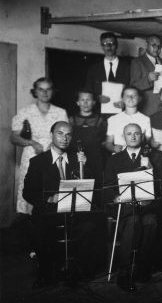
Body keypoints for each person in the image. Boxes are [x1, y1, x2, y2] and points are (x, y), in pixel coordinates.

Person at [23, 121, 99, 287]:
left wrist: (84, 167)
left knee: (90, 226)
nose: (64, 138)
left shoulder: (77, 159)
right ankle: (45, 272)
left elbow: (89, 186)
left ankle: (77, 270)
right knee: (39, 227)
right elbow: (27, 192)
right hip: (49, 212)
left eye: (68, 134)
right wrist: (50, 199)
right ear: (52, 135)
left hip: (74, 211)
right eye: (60, 133)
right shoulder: (38, 161)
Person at [102, 123, 159, 291]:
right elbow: (107, 186)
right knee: (133, 221)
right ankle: (124, 272)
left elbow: (159, 184)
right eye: (129, 133)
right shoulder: (114, 159)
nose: (133, 136)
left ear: (141, 136)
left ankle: (142, 267)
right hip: (124, 208)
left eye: (136, 133)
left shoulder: (151, 157)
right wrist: (116, 196)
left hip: (146, 206)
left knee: (151, 222)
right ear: (123, 137)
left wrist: (150, 167)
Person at [11, 77, 68, 215]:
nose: (44, 92)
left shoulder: (60, 112)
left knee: (51, 189)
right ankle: (29, 222)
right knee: (31, 188)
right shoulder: (25, 111)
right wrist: (31, 142)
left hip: (54, 154)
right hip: (32, 154)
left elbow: (65, 134)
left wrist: (51, 147)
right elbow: (14, 137)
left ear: (52, 92)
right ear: (35, 92)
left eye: (48, 89)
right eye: (40, 89)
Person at [68, 90, 107, 198]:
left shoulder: (100, 120)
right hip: (76, 158)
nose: (85, 103)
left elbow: (104, 141)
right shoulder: (71, 120)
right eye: (82, 100)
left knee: (96, 187)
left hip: (95, 159)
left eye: (88, 100)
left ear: (94, 102)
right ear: (77, 102)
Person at [85, 32, 130, 112]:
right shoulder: (93, 69)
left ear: (117, 45)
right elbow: (88, 91)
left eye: (112, 43)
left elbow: (132, 89)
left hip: (122, 113)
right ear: (101, 46)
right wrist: (97, 98)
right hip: (98, 114)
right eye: (105, 44)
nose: (109, 47)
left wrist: (125, 102)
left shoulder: (128, 67)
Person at [104, 87, 151, 154]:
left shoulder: (146, 119)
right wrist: (113, 148)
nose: (131, 97)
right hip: (119, 157)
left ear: (139, 99)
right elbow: (108, 143)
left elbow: (148, 143)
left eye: (134, 95)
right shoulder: (113, 119)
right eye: (127, 95)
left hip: (138, 157)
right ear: (122, 99)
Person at [130, 35, 162, 116]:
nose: (157, 48)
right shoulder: (137, 62)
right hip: (146, 108)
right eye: (153, 45)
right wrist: (148, 79)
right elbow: (133, 86)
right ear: (146, 45)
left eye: (159, 46)